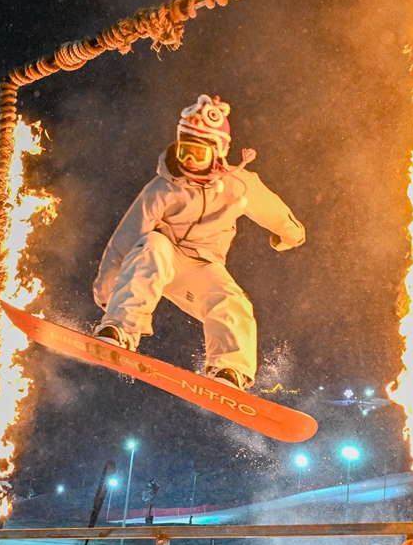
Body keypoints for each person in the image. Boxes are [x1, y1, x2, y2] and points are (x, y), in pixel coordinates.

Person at [93, 94, 306, 392]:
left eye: (197, 153)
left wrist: (291, 236)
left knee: (232, 300)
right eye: (184, 152)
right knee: (152, 245)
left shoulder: (238, 184)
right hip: (162, 258)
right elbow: (126, 238)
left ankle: (229, 370)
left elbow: (273, 210)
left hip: (202, 267)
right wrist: (107, 291)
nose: (189, 162)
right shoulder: (163, 188)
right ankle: (119, 329)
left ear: (217, 152)